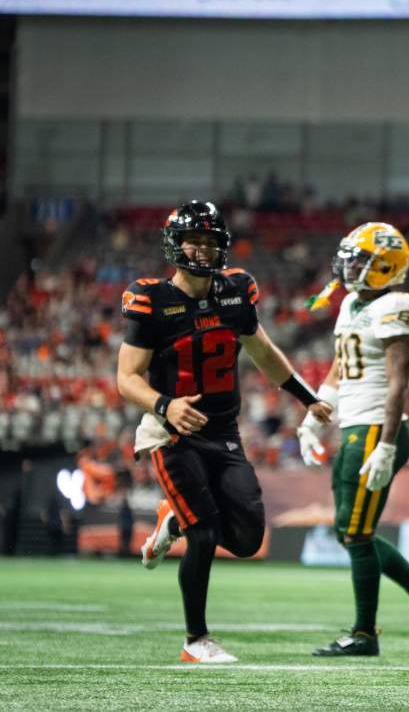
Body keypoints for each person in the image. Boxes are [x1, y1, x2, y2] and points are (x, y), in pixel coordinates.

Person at [116, 200, 333, 663]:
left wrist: (307, 396)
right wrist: (165, 405)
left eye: (210, 240)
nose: (202, 248)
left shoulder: (236, 291)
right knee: (203, 532)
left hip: (224, 431)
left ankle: (171, 517)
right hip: (170, 432)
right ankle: (196, 641)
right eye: (194, 239)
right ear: (175, 243)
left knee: (248, 538)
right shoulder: (151, 299)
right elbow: (127, 377)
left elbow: (265, 353)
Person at [299, 222, 409, 658]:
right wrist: (315, 416)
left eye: (359, 260)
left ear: (385, 267)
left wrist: (387, 446)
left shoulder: (398, 304)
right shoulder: (351, 302)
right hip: (354, 426)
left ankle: (364, 633)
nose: (348, 266)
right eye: (349, 258)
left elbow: (397, 383)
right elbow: (339, 366)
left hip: (376, 428)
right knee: (353, 533)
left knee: (355, 533)